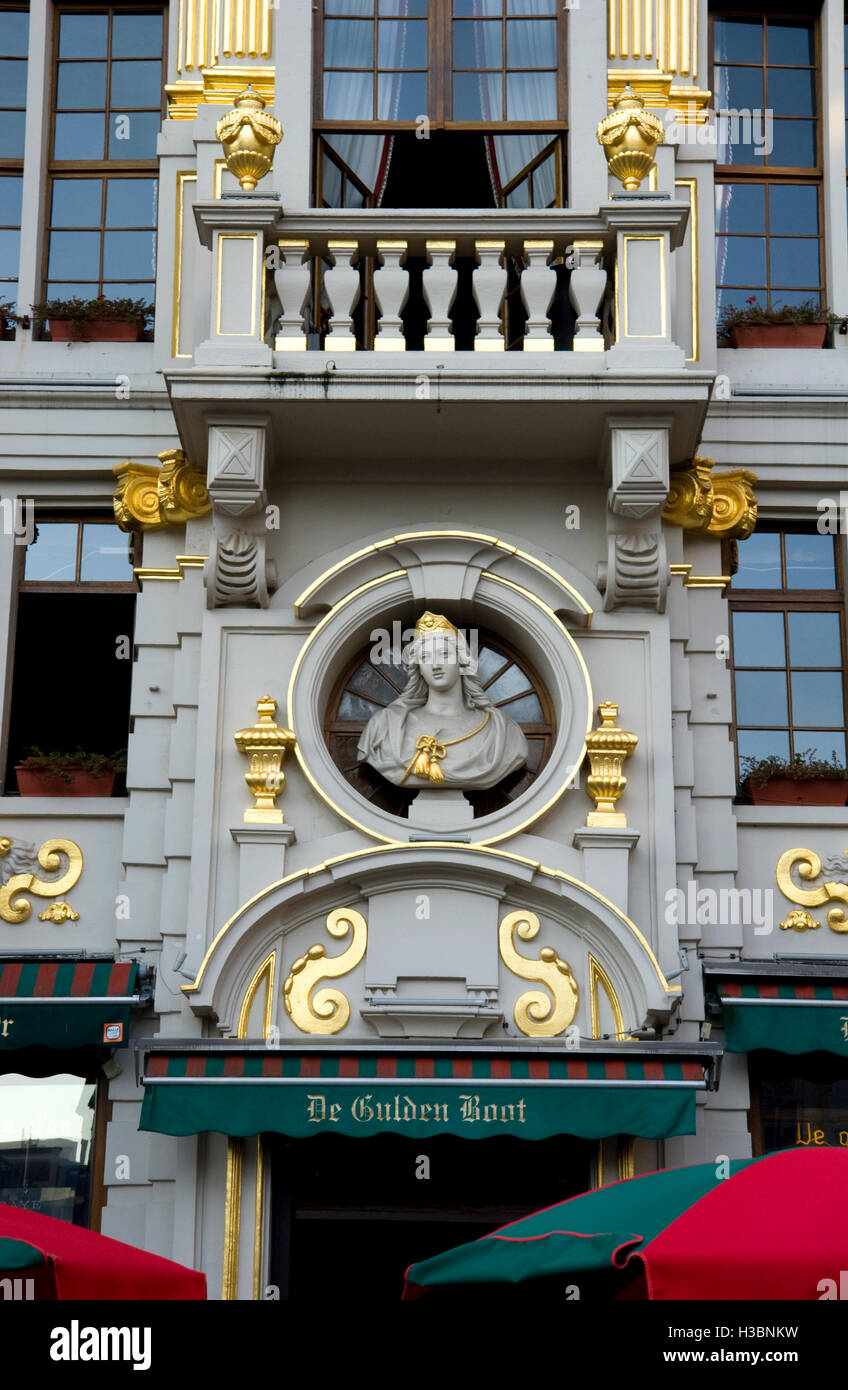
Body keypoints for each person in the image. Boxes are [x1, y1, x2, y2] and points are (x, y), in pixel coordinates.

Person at [357, 611, 528, 791]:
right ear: (419, 669)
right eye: (425, 658)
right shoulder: (383, 728)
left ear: (462, 662)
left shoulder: (502, 733)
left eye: (444, 654)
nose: (435, 665)